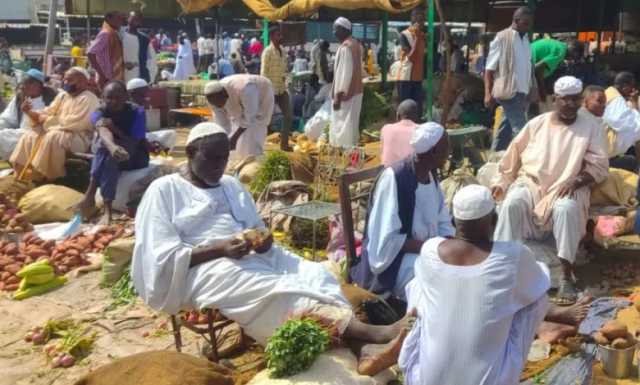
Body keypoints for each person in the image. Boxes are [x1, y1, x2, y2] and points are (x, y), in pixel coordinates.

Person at [131, 122, 416, 375]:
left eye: (224, 158)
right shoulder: (165, 190)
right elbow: (161, 256)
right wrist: (219, 249)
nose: (220, 166)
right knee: (273, 290)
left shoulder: (230, 184)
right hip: (204, 268)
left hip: (252, 255)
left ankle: (361, 349)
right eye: (212, 159)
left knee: (315, 274)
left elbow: (256, 225)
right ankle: (374, 334)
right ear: (191, 154)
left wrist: (263, 240)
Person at [399, 184, 550, 385]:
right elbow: (541, 280)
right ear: (494, 221)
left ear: (453, 222)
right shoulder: (513, 255)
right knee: (537, 299)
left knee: (418, 286)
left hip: (423, 380)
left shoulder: (430, 250)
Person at [493, 76, 609, 304]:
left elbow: (600, 166)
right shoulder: (537, 123)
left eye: (575, 100)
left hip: (569, 185)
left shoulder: (590, 128)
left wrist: (576, 181)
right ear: (555, 99)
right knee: (512, 202)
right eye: (565, 100)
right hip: (532, 183)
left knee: (566, 208)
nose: (570, 104)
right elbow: (513, 155)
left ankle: (566, 276)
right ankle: (500, 269)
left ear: (581, 101)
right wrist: (502, 181)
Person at [351, 123, 454, 300]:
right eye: (446, 148)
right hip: (393, 264)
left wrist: (448, 243)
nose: (449, 152)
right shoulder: (394, 178)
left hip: (426, 252)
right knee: (438, 281)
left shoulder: (431, 175)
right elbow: (384, 243)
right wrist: (429, 247)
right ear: (434, 152)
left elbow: (442, 219)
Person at [76, 81, 150, 225]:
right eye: (109, 97)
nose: (113, 101)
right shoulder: (99, 112)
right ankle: (105, 208)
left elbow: (134, 142)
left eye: (118, 97)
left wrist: (115, 130)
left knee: (105, 151)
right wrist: (112, 146)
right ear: (102, 97)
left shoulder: (137, 112)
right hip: (111, 155)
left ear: (126, 97)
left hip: (135, 157)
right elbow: (102, 130)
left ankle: (93, 198)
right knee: (108, 152)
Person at [10, 67, 100, 181]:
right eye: (64, 80)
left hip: (79, 137)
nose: (65, 83)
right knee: (30, 135)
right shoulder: (63, 96)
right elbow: (48, 112)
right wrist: (29, 112)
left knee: (53, 137)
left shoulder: (88, 98)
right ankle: (23, 175)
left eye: (69, 80)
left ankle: (46, 176)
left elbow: (75, 123)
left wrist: (47, 120)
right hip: (57, 130)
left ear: (82, 82)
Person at [484, 7, 535, 151]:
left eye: (530, 23)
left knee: (505, 129)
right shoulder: (502, 37)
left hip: (522, 91)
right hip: (507, 91)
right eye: (525, 23)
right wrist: (487, 93)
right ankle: (528, 160)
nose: (528, 26)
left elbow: (529, 67)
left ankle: (494, 157)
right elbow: (489, 69)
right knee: (521, 128)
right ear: (516, 21)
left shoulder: (526, 40)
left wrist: (532, 88)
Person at [204, 75, 274, 160]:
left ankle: (255, 159)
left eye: (219, 102)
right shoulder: (212, 99)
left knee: (254, 131)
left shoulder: (247, 89)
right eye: (215, 104)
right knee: (237, 137)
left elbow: (250, 116)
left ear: (224, 94)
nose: (218, 106)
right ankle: (240, 159)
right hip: (241, 101)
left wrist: (234, 138)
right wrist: (224, 139)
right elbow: (222, 122)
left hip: (261, 97)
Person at [0, 70, 57, 160]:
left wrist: (28, 112)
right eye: (24, 83)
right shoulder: (20, 98)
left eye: (29, 83)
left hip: (39, 136)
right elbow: (8, 118)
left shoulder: (52, 100)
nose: (24, 87)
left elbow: (49, 122)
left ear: (40, 85)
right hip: (20, 132)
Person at [331, 17, 364, 148]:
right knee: (352, 124)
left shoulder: (346, 47)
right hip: (356, 92)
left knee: (343, 125)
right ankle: (351, 151)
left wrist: (338, 96)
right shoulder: (355, 44)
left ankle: (343, 153)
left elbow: (344, 74)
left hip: (346, 94)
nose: (333, 32)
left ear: (344, 30)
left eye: (335, 29)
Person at [261, 26, 292, 152]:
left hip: (282, 89)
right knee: (266, 119)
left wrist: (287, 80)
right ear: (272, 36)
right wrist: (264, 91)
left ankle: (284, 145)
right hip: (270, 90)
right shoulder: (267, 52)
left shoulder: (283, 51)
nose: (281, 37)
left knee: (288, 115)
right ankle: (260, 144)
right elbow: (263, 73)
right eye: (279, 35)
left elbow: (285, 70)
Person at [602, 72, 640, 172]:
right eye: (631, 87)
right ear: (624, 87)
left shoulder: (611, 94)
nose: (633, 90)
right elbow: (627, 124)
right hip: (605, 154)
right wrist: (635, 104)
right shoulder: (615, 99)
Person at [397, 8, 426, 117]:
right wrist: (417, 38)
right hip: (406, 77)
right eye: (419, 19)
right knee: (405, 110)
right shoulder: (404, 35)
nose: (421, 22)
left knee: (417, 110)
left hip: (417, 77)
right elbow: (411, 57)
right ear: (412, 19)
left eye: (423, 20)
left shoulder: (422, 36)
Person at [88, 11, 126, 89]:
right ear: (109, 19)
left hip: (112, 77)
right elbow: (90, 53)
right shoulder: (106, 34)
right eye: (118, 18)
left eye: (121, 19)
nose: (121, 21)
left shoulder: (113, 34)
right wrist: (101, 75)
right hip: (106, 78)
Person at [380, 100, 420, 167]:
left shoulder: (386, 129)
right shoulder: (421, 131)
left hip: (387, 174)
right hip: (411, 174)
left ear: (397, 116)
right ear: (417, 117)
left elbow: (382, 153)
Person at [122, 11, 157, 83]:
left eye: (139, 19)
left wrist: (149, 76)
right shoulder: (119, 35)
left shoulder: (144, 39)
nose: (136, 21)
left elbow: (151, 59)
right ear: (128, 19)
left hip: (138, 75)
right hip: (121, 74)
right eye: (134, 18)